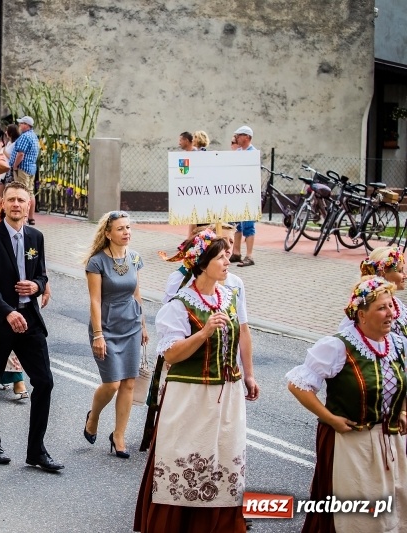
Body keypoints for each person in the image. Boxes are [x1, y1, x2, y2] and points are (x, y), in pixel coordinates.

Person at [134, 229, 259, 533]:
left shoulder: (229, 296)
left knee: (224, 456)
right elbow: (172, 355)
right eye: (221, 257)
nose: (227, 262)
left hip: (227, 394)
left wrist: (248, 374)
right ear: (202, 264)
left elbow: (241, 333)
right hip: (191, 395)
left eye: (227, 256)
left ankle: (220, 524)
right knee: (189, 457)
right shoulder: (179, 304)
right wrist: (203, 333)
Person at [287, 277, 407, 533]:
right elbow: (298, 385)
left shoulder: (398, 345)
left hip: (390, 441)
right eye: (382, 308)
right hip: (351, 443)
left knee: (394, 506)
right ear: (362, 315)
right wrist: (330, 418)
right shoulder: (338, 347)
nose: (391, 313)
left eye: (391, 306)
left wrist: (403, 409)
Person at [0, 181, 63, 472]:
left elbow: (42, 275)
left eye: (21, 200)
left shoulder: (36, 237)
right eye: (11, 199)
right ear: (2, 204)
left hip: (29, 320)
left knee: (44, 382)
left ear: (28, 205)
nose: (16, 205)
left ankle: (36, 450)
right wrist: (7, 312)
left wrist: (36, 286)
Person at [84, 211, 148, 458]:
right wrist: (98, 334)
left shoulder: (135, 258)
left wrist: (143, 325)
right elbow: (94, 300)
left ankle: (119, 435)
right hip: (106, 326)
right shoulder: (97, 262)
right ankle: (94, 417)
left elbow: (136, 294)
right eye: (120, 228)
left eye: (128, 227)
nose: (126, 232)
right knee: (112, 383)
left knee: (129, 382)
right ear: (108, 233)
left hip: (131, 324)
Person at [338, 247, 407, 337]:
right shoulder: (366, 305)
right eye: (400, 271)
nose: (405, 275)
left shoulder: (397, 303)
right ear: (382, 273)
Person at [230, 125, 257, 267]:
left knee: (248, 224)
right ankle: (236, 252)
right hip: (237, 192)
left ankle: (249, 255)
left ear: (247, 137)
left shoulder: (253, 153)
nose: (237, 138)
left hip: (248, 194)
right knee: (236, 224)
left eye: (239, 135)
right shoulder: (238, 152)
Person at [9, 117, 40, 225]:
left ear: (26, 125)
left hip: (22, 168)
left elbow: (20, 154)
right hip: (31, 168)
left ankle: (24, 218)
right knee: (30, 192)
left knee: (22, 192)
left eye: (21, 123)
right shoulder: (34, 136)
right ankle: (31, 217)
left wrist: (15, 166)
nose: (19, 125)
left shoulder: (25, 137)